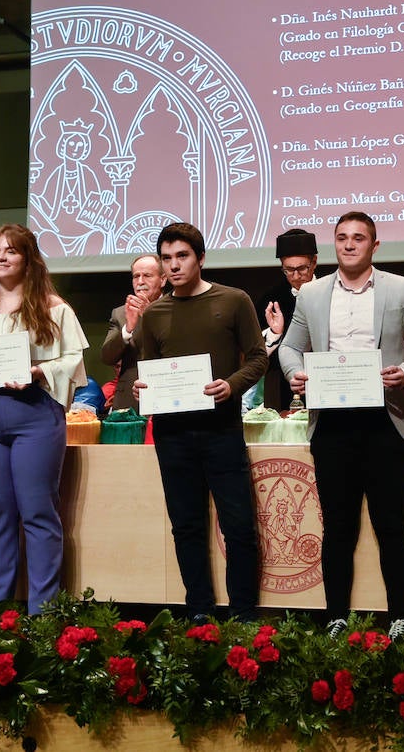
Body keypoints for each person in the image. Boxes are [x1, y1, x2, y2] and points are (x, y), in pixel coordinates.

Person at [279, 212, 404, 638]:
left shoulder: (401, 289)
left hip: (384, 422)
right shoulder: (311, 293)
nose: (349, 245)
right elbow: (289, 348)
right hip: (331, 424)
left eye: (359, 238)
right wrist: (295, 373)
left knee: (390, 524)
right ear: (334, 244)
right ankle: (335, 618)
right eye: (342, 238)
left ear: (374, 245)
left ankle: (400, 619)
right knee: (337, 526)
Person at [0, 223, 87, 615]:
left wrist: (40, 371)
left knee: (38, 511)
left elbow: (74, 361)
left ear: (28, 259)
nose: (1, 257)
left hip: (34, 417)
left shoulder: (55, 309)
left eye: (11, 250)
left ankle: (42, 614)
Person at [135, 222, 267, 621]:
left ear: (201, 258)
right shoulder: (154, 314)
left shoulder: (233, 300)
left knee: (239, 526)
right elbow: (149, 371)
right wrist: (143, 390)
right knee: (186, 527)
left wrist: (231, 385)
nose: (174, 265)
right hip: (172, 434)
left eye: (182, 256)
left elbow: (259, 357)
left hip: (221, 430)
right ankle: (199, 613)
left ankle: (244, 615)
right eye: (167, 258)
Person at [257, 229, 320, 411]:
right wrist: (274, 333)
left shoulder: (331, 291)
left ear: (314, 262)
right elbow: (257, 353)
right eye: (288, 270)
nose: (295, 276)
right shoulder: (270, 299)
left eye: (301, 268)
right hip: (282, 389)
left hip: (325, 380)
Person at [100, 254, 164, 412]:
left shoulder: (175, 308)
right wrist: (128, 329)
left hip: (167, 395)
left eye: (147, 275)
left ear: (163, 279)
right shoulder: (121, 313)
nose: (140, 281)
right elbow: (107, 357)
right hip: (128, 402)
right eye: (136, 276)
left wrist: (149, 316)